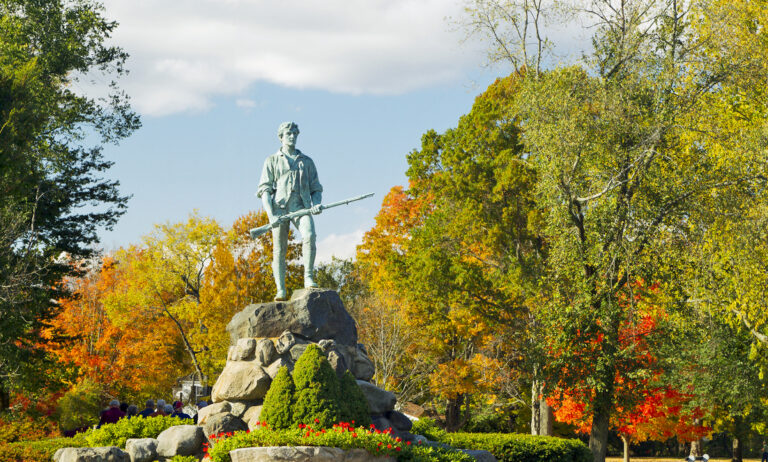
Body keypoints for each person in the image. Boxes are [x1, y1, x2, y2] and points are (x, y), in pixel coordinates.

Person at [257, 122, 323, 300]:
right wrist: (271, 215)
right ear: (281, 137)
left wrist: (316, 204)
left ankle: (308, 277)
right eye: (288, 133)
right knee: (279, 249)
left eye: (295, 133)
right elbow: (265, 190)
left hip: (301, 206)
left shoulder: (307, 162)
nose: (292, 136)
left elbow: (316, 189)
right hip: (279, 209)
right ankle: (281, 289)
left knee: (309, 235)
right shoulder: (271, 160)